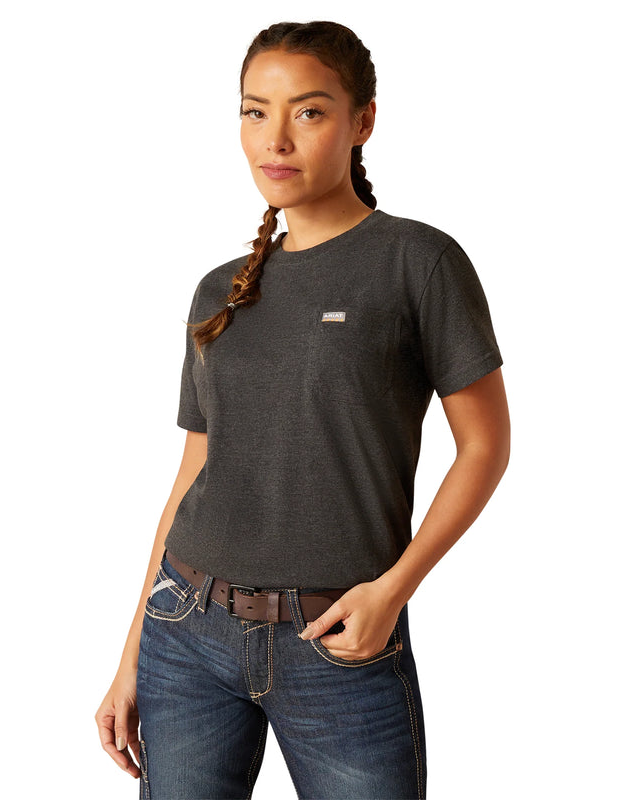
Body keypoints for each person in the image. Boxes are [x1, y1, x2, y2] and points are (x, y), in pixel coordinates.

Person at [95, 19, 510, 800]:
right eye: (255, 112)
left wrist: (393, 591)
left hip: (340, 639)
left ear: (363, 121)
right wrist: (130, 659)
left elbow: (485, 447)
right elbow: (192, 476)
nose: (275, 139)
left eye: (309, 111)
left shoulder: (418, 262)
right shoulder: (220, 290)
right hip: (186, 632)